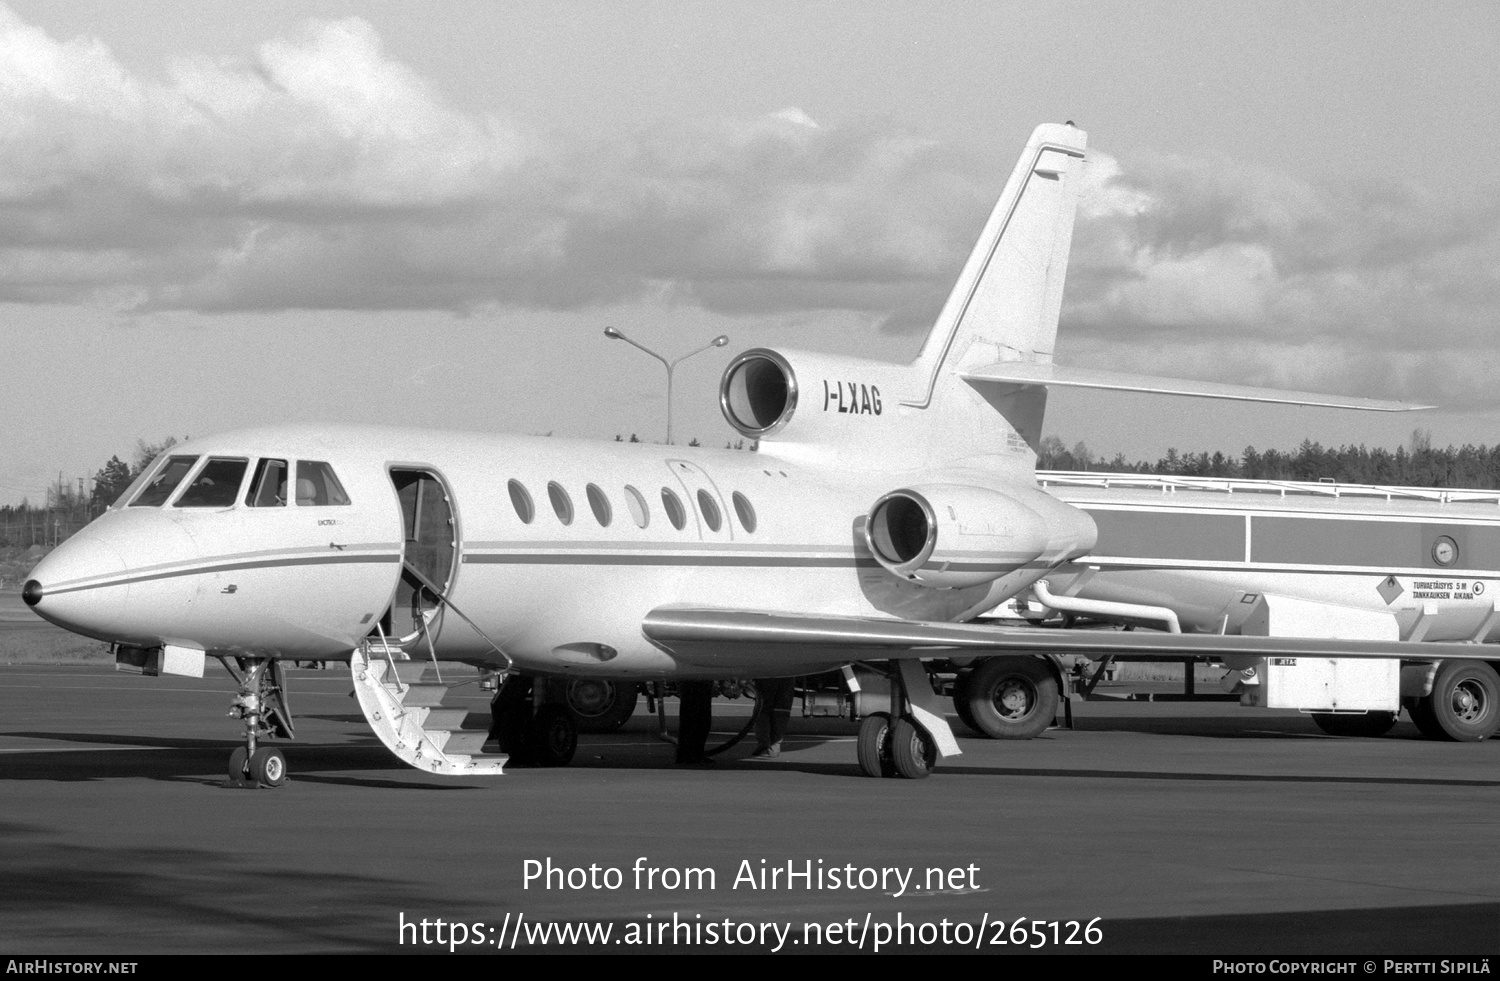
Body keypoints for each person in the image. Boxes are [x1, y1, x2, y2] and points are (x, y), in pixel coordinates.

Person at [750, 677, 795, 758]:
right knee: (781, 710)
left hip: (767, 675)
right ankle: (774, 747)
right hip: (787, 675)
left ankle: (764, 742)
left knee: (763, 708)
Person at [675, 680, 715, 766]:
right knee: (701, 715)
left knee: (690, 714)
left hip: (690, 678)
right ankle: (693, 754)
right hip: (700, 677)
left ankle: (687, 753)